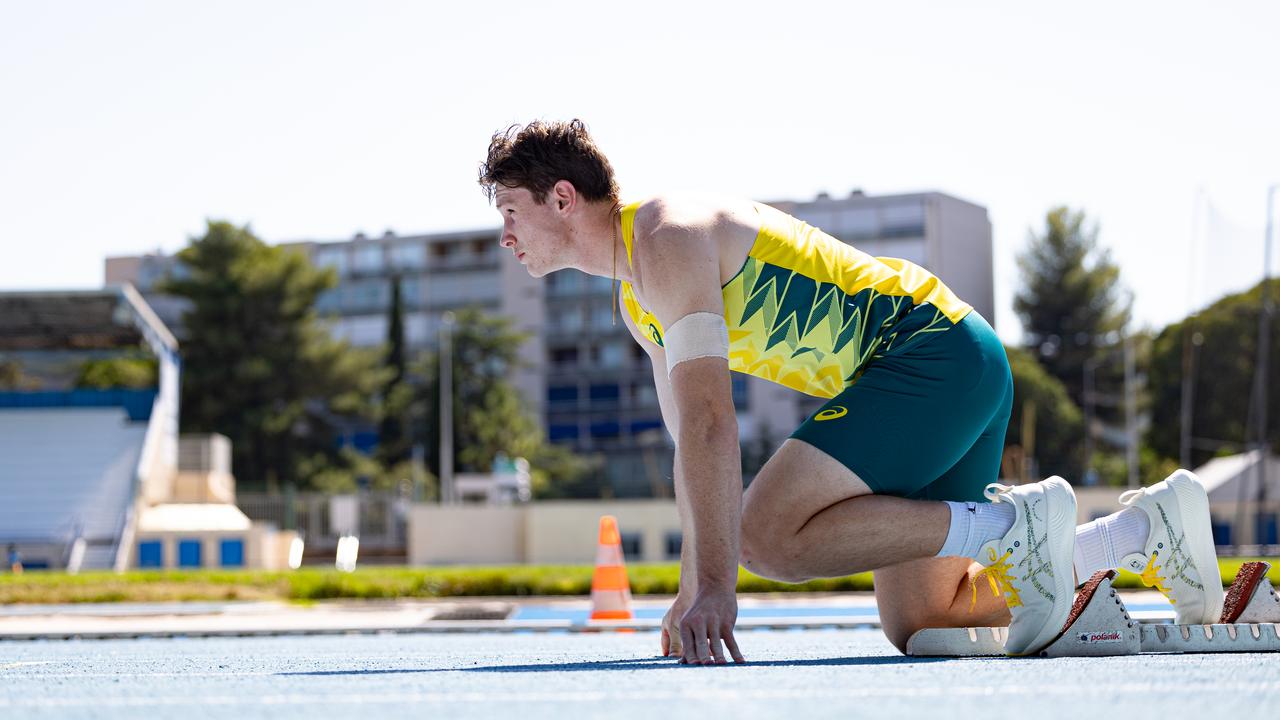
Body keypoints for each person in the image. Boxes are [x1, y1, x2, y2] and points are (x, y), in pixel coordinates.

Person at [478, 119, 1223, 664]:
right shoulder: (634, 300)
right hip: (933, 375)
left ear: (564, 197)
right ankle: (1138, 533)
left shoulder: (665, 239)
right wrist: (691, 590)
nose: (506, 237)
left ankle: (1012, 528)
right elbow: (687, 451)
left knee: (765, 534)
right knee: (929, 621)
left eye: (511, 212)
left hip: (932, 354)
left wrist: (720, 584)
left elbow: (713, 423)